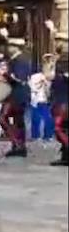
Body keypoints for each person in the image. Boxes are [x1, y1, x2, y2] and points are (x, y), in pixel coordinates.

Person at [0, 38, 33, 158]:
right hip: (15, 94)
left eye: (11, 46)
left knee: (3, 118)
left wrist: (4, 74)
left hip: (17, 94)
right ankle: (19, 146)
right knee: (18, 121)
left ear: (16, 48)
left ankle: (18, 144)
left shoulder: (21, 60)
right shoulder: (15, 59)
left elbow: (19, 79)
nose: (8, 48)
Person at [51, 31, 68, 167]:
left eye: (60, 41)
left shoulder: (65, 58)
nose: (57, 43)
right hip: (59, 96)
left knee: (58, 127)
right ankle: (65, 155)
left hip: (64, 98)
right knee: (64, 127)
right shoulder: (60, 57)